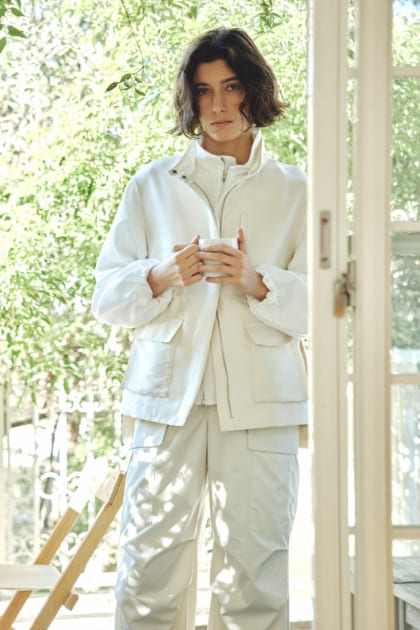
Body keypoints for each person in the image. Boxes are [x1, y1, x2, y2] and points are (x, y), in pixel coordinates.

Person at [92, 26, 307, 630]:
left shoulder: (296, 190)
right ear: (191, 98)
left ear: (253, 91)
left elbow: (331, 306)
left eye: (231, 87)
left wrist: (257, 281)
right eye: (205, 90)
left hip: (261, 406)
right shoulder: (152, 184)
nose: (218, 105)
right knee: (149, 570)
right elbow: (106, 298)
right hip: (167, 403)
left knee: (255, 576)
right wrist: (159, 276)